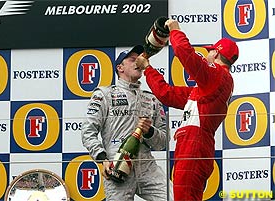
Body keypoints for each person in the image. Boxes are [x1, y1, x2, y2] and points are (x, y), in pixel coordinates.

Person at [136, 19, 239, 200]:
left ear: (216, 53)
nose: (207, 55)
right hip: (193, 146)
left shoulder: (219, 77)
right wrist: (148, 68)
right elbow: (166, 94)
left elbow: (185, 53)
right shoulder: (206, 89)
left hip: (194, 146)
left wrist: (175, 30)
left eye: (209, 51)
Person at [81, 45, 173, 201]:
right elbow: (87, 132)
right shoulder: (105, 94)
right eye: (132, 59)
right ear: (120, 68)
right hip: (117, 166)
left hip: (146, 166)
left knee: (176, 197)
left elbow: (163, 142)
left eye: (139, 59)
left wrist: (150, 131)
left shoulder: (152, 99)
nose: (138, 62)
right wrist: (103, 158)